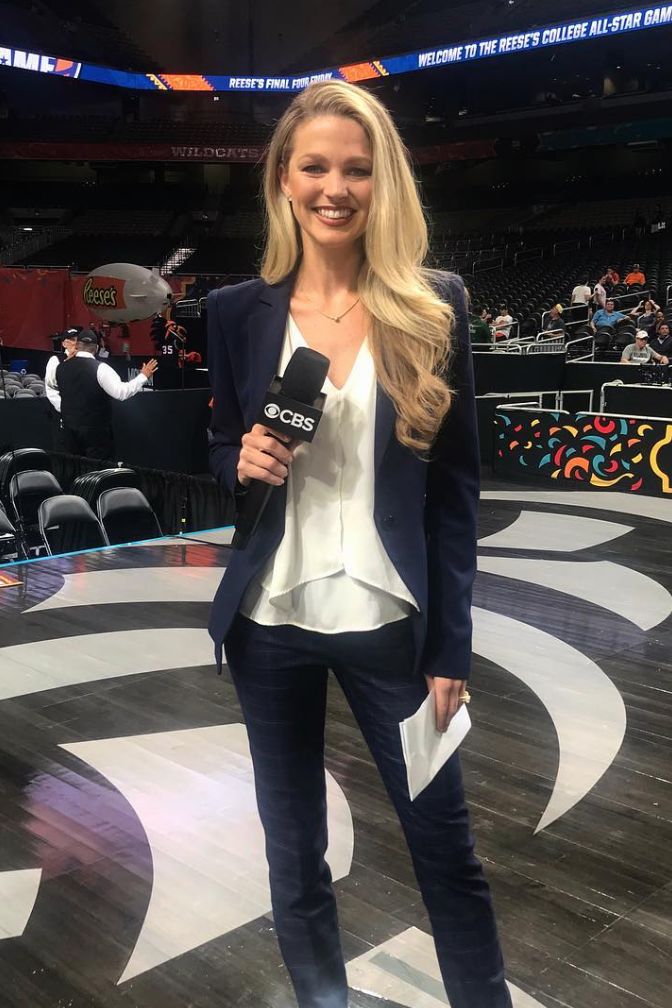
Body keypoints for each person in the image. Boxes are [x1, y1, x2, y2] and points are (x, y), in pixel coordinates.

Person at [207, 80, 511, 1008]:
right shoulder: (234, 311)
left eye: (356, 169)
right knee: (292, 848)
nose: (334, 188)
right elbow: (220, 442)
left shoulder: (435, 304)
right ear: (284, 181)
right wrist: (242, 460)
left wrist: (451, 645)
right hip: (271, 623)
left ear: (384, 185)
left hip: (392, 624)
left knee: (445, 848)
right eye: (315, 167)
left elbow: (455, 498)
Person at [55, 329, 158, 459]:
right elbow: (121, 393)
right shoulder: (100, 368)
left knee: (74, 470)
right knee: (98, 473)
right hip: (95, 434)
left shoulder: (61, 367)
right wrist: (143, 376)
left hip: (69, 430)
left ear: (77, 346)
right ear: (97, 348)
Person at [44, 330, 78, 412]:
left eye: (79, 339)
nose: (77, 343)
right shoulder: (56, 360)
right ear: (64, 344)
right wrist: (64, 409)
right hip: (63, 411)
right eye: (73, 339)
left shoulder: (86, 360)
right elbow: (51, 388)